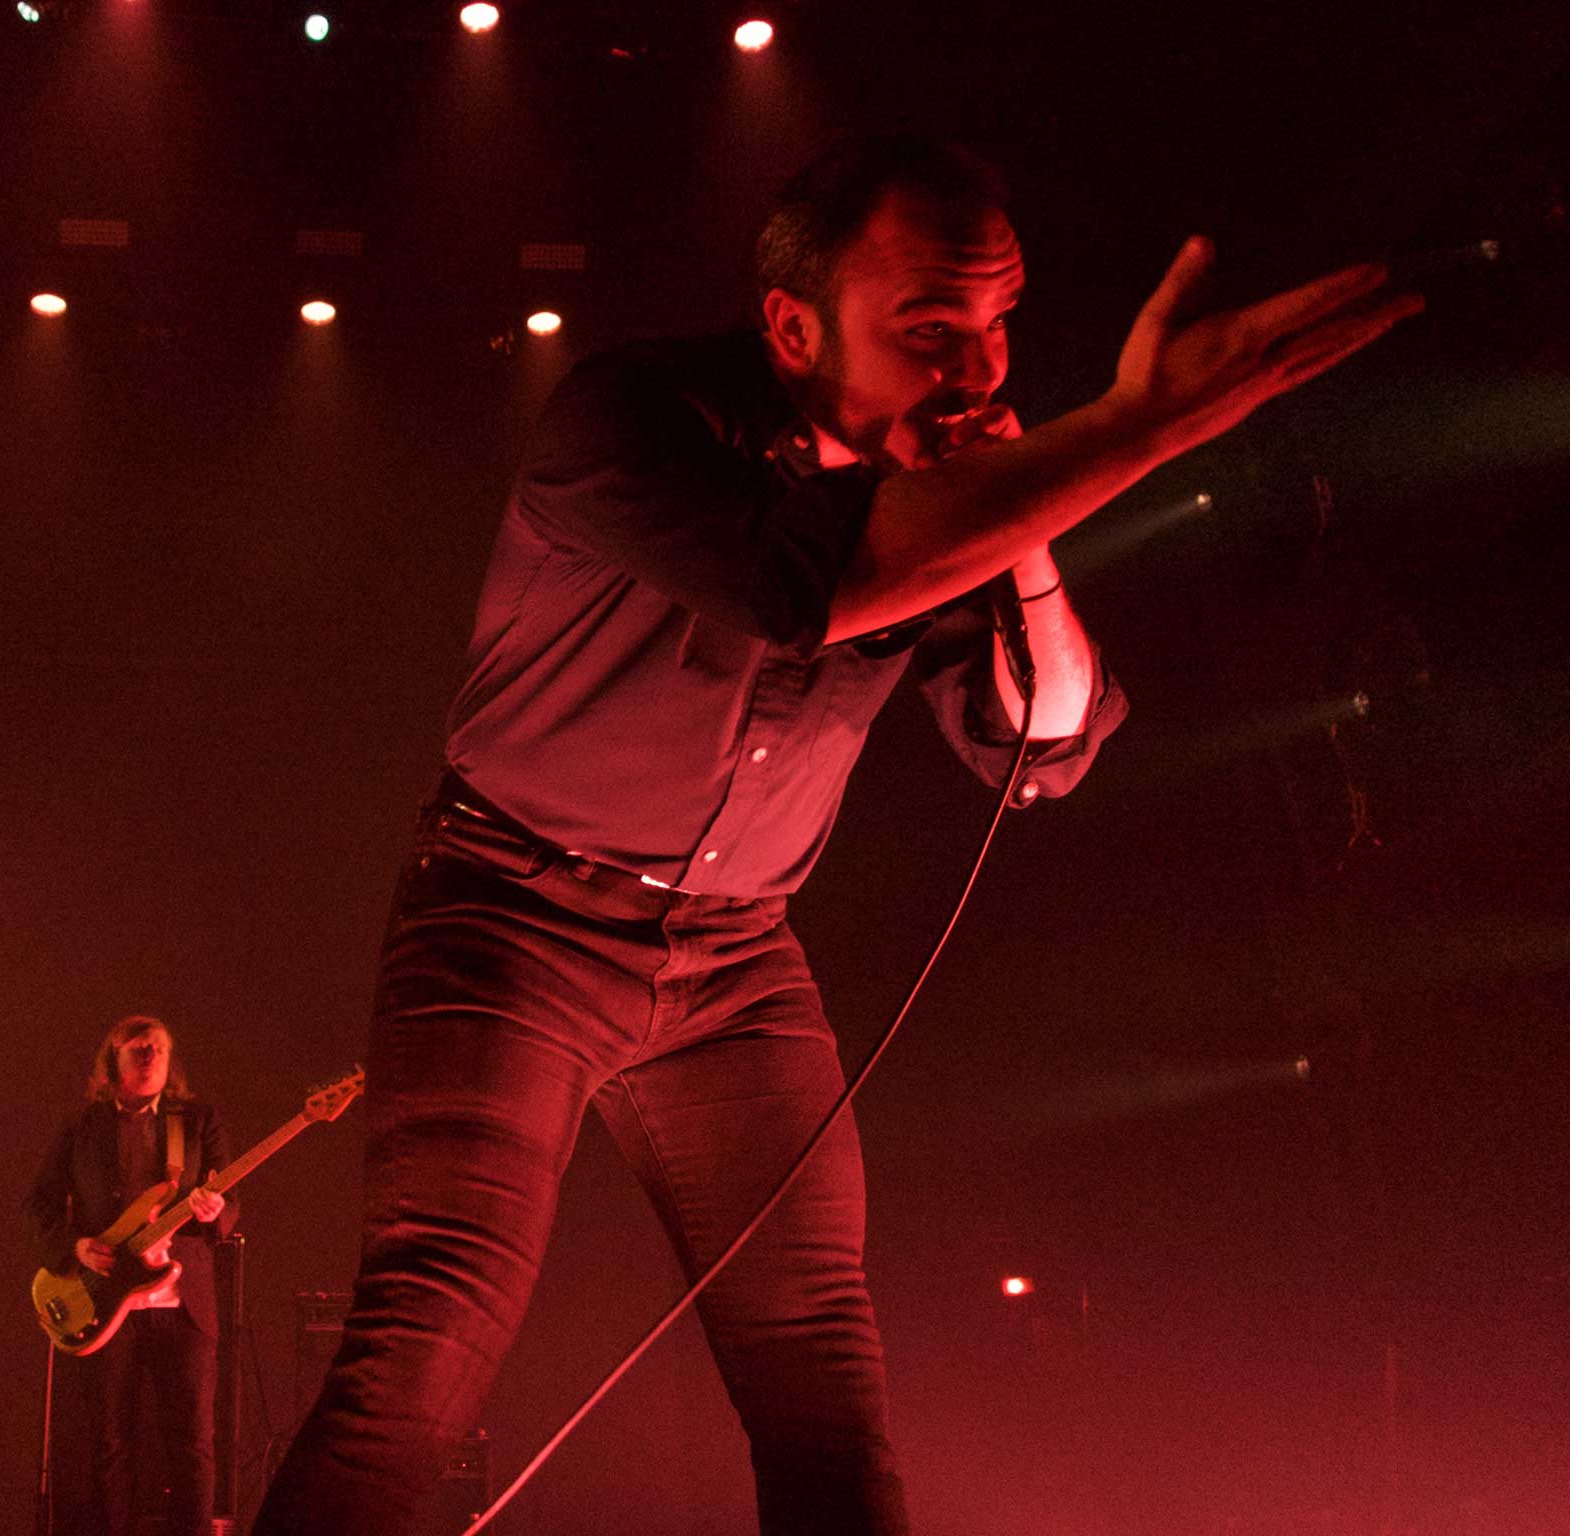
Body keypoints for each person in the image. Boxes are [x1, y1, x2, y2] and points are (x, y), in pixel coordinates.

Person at [252, 137, 1421, 1536]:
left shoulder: (937, 501)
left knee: (824, 1381)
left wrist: (1027, 536)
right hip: (513, 919)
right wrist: (1139, 427)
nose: (981, 374)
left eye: (997, 326)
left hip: (735, 959)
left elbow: (1047, 745)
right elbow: (809, 586)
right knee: (425, 1342)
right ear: (794, 326)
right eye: (931, 331)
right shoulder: (630, 417)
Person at [27, 1015, 239, 1536]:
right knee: (110, 1441)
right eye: (139, 1049)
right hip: (106, 1300)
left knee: (192, 1441)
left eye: (160, 1050)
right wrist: (75, 1247)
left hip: (181, 1299)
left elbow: (231, 1202)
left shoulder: (195, 1120)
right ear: (112, 1060)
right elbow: (40, 1203)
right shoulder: (80, 1125)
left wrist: (216, 1212)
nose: (151, 1058)